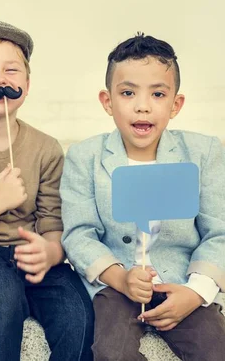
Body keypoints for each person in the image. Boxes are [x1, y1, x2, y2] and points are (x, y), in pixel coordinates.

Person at [61, 33, 225, 361]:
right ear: (107, 101)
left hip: (181, 279)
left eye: (158, 93)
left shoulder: (203, 152)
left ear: (175, 104)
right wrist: (119, 277)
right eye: (127, 92)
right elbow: (79, 234)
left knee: (216, 348)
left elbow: (219, 231)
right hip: (117, 284)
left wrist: (197, 292)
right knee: (111, 352)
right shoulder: (84, 156)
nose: (142, 105)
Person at [0, 20, 94, 361]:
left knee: (78, 315)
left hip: (33, 250)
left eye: (11, 69)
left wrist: (51, 252)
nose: (0, 80)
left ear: (27, 82)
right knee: (0, 301)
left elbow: (53, 219)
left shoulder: (47, 148)